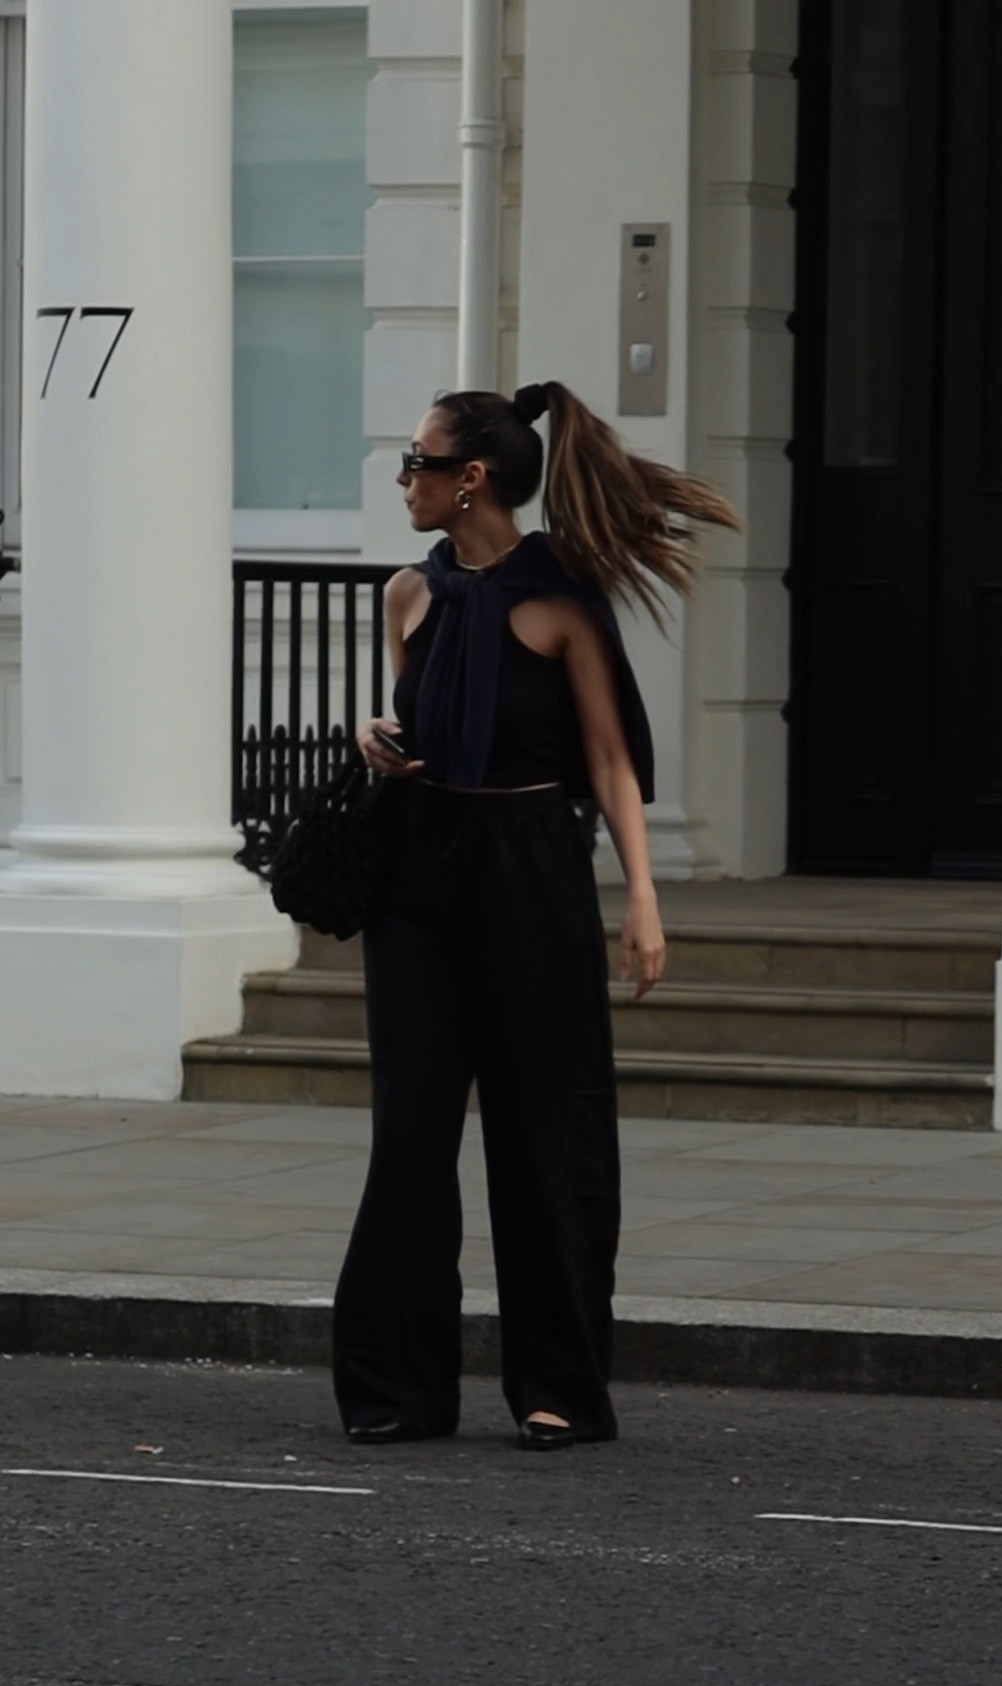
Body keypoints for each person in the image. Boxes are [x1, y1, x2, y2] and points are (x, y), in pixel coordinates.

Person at [333, 380, 738, 1451]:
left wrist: (642, 900)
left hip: (530, 873)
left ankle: (558, 1383)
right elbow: (427, 721)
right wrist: (378, 737)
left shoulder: (562, 600)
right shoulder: (407, 595)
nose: (404, 480)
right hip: (418, 876)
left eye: (417, 462)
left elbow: (608, 759)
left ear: (470, 478)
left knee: (544, 1130)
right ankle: (397, 1388)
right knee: (410, 1131)